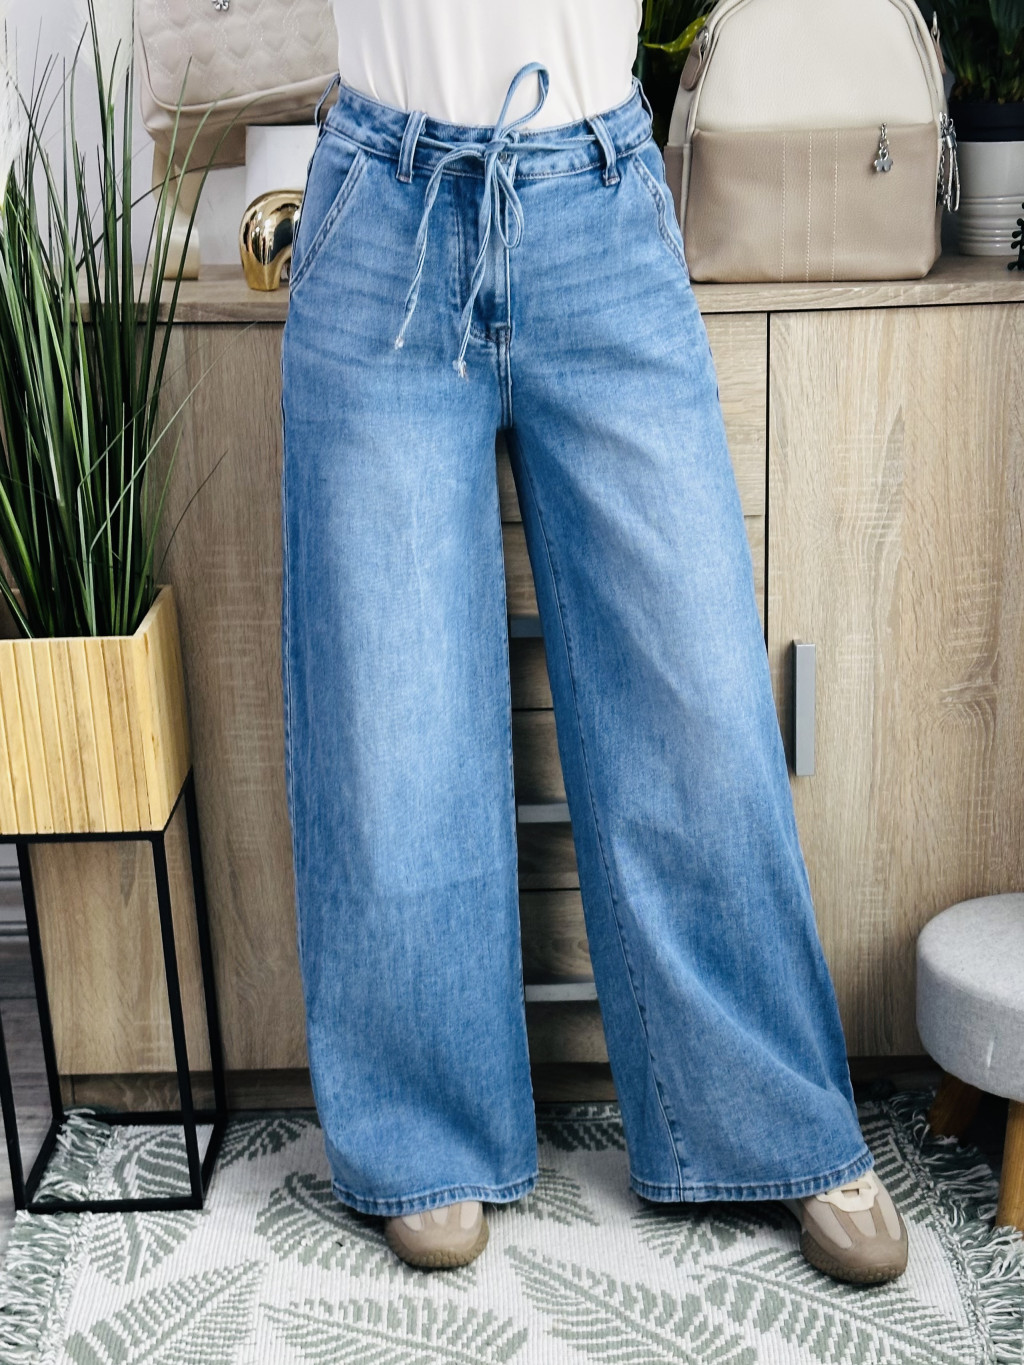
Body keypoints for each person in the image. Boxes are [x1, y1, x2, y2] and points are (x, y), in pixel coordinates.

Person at [278, 0, 910, 1286]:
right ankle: (427, 1136)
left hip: (597, 206)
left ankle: (770, 1121)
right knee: (391, 712)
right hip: (383, 213)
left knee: (697, 698)